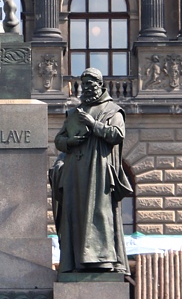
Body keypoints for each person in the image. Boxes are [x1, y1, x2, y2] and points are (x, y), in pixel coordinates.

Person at [51, 68, 131, 273]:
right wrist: (70, 141)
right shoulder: (73, 114)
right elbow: (58, 140)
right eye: (84, 84)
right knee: (75, 215)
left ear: (100, 85)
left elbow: (117, 135)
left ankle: (102, 260)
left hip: (99, 172)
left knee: (99, 214)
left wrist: (93, 124)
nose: (87, 88)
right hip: (75, 173)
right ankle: (75, 261)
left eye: (91, 84)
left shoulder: (113, 111)